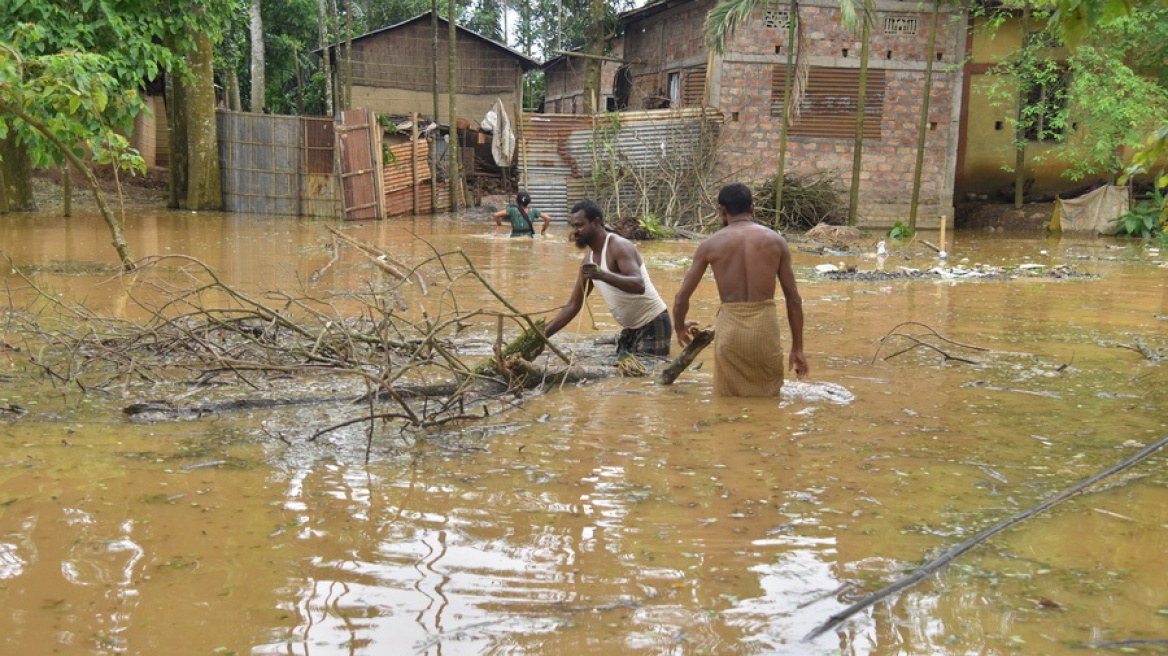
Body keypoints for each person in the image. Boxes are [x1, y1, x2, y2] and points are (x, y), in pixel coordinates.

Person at [672, 182, 808, 396]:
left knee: (727, 402)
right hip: (765, 331)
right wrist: (797, 349)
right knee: (769, 399)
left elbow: (681, 298)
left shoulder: (710, 245)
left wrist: (679, 327)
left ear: (722, 210)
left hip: (730, 333)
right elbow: (794, 300)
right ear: (752, 208)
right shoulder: (776, 241)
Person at [543, 200, 672, 356]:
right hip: (631, 328)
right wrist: (541, 337)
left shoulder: (618, 246)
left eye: (579, 225)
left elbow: (638, 284)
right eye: (573, 226)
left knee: (648, 375)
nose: (575, 231)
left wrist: (602, 275)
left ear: (596, 222)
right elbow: (573, 306)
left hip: (653, 322)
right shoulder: (588, 260)